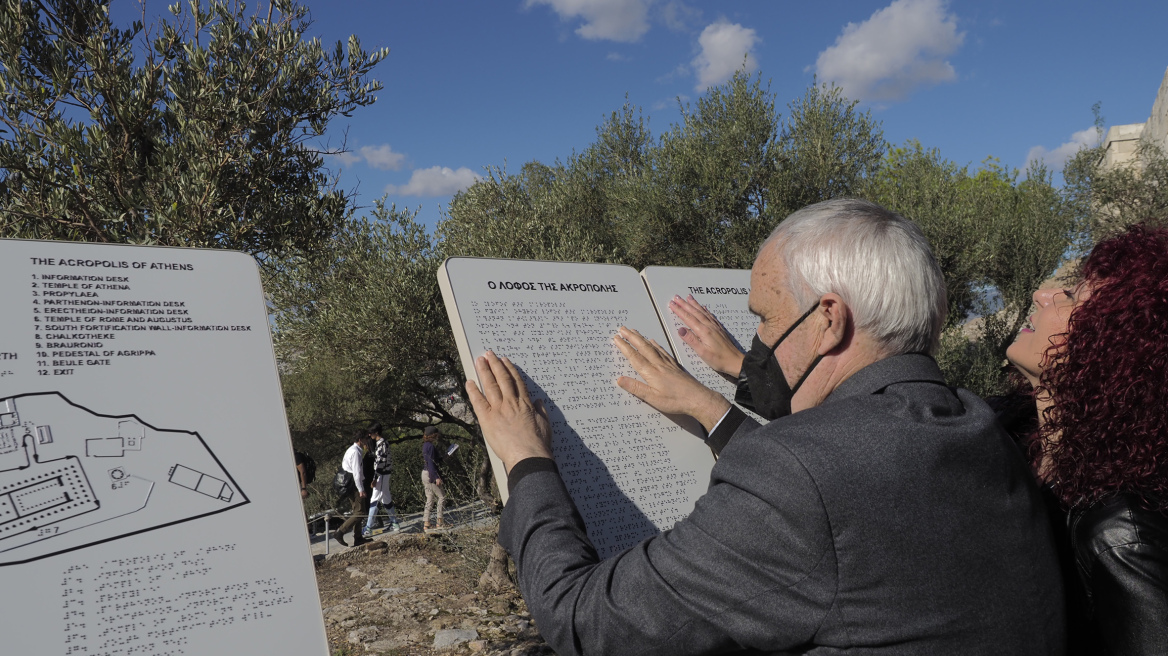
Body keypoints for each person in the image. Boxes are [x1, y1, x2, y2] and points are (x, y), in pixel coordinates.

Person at [465, 199, 1065, 655]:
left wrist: (528, 462)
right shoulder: (976, 423)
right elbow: (848, 497)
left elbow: (582, 618)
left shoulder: (801, 478)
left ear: (828, 321)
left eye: (763, 318)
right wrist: (710, 410)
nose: (755, 343)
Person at [1005, 223, 1168, 655]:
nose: (1043, 294)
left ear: (1115, 347)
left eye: (1074, 297)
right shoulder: (1007, 443)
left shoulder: (1124, 536)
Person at [335, 430, 373, 547]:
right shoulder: (356, 452)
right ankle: (340, 531)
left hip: (352, 485)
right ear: (360, 440)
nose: (367, 441)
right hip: (355, 486)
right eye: (366, 439)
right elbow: (356, 473)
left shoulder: (351, 450)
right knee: (360, 512)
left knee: (358, 511)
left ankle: (358, 538)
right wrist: (361, 490)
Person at [364, 422, 400, 536]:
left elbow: (381, 463)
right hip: (383, 474)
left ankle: (368, 527)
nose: (370, 435)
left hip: (382, 474)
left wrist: (375, 478)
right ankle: (394, 523)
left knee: (374, 499)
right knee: (386, 499)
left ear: (377, 432)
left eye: (371, 433)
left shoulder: (382, 444)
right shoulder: (381, 443)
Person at [421, 426, 446, 531]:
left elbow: (432, 460)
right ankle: (440, 522)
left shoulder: (425, 446)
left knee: (430, 498)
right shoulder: (430, 446)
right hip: (430, 473)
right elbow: (431, 463)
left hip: (424, 473)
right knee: (442, 496)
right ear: (433, 435)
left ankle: (426, 523)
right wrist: (436, 477)